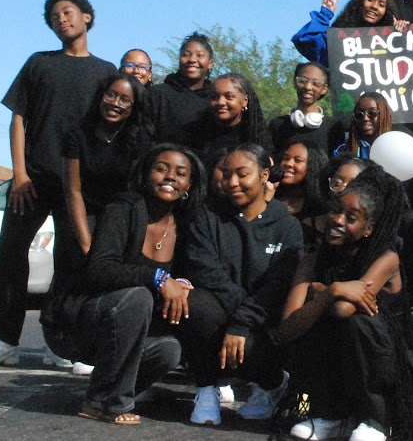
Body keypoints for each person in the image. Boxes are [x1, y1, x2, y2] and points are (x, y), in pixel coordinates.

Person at [0, 0, 115, 368]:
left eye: (67, 13)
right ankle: (3, 339)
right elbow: (18, 119)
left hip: (77, 186)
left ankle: (61, 344)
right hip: (32, 179)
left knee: (71, 263)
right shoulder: (38, 64)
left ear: (87, 17)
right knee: (11, 257)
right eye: (53, 17)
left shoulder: (105, 72)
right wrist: (18, 174)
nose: (60, 20)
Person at [46, 144, 200, 424]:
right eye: (161, 169)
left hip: (124, 329)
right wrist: (157, 278)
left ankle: (97, 397)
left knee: (168, 351)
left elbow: (187, 273)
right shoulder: (124, 208)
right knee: (138, 297)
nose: (170, 177)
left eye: (180, 173)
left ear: (189, 185)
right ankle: (116, 403)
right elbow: (100, 270)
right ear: (146, 174)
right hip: (78, 322)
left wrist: (182, 284)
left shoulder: (186, 225)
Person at [277, 166, 413, 441]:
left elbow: (345, 310)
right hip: (336, 366)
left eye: (351, 218)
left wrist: (319, 292)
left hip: (385, 367)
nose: (338, 220)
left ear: (369, 229)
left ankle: (377, 421)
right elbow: (286, 330)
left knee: (356, 321)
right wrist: (331, 290)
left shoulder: (386, 258)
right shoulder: (313, 259)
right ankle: (330, 414)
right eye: (336, 211)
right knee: (311, 321)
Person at [181, 144, 304, 426]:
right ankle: (205, 388)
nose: (232, 182)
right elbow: (204, 270)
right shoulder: (208, 215)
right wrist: (239, 316)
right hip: (223, 314)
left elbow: (279, 285)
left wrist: (244, 323)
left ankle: (271, 385)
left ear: (263, 175)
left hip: (261, 324)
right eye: (226, 174)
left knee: (253, 346)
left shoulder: (287, 225)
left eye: (242, 174)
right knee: (194, 304)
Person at [63, 73, 154, 259]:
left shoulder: (141, 137)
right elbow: (73, 190)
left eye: (124, 99)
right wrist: (86, 244)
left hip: (122, 216)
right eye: (111, 95)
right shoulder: (78, 133)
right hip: (85, 212)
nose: (115, 103)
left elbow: (139, 191)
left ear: (134, 107)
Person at [293, 0, 402, 66]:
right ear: (360, 2)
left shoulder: (391, 43)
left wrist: (405, 32)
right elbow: (306, 40)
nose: (374, 6)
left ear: (386, 12)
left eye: (381, 5)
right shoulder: (339, 40)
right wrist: (326, 14)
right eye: (370, 0)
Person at [190, 73, 271, 167]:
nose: (220, 102)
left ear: (245, 101)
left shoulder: (257, 136)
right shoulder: (194, 134)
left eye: (229, 97)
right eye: (214, 97)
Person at [147, 32, 214, 144]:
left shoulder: (214, 99)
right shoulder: (158, 94)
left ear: (210, 63)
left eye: (200, 55)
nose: (192, 60)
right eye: (186, 55)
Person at [268, 62, 345, 155]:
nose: (308, 87)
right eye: (302, 81)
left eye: (315, 83)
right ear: (295, 83)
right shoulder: (277, 125)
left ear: (324, 89)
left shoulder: (333, 128)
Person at [274, 141, 332, 244]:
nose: (288, 164)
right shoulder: (270, 197)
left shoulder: (319, 207)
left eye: (298, 160)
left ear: (312, 167)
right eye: (286, 158)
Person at [336, 93, 392, 159]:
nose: (365, 118)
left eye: (372, 113)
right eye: (359, 114)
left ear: (384, 115)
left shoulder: (397, 147)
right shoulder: (342, 152)